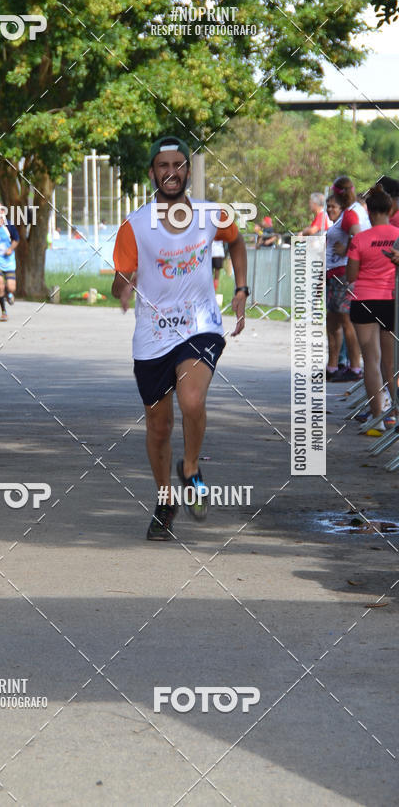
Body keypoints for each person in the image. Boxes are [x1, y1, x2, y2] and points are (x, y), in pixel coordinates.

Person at [112, 136, 248, 541]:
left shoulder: (211, 214)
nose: (171, 173)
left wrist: (241, 290)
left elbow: (237, 242)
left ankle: (190, 467)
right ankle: (166, 499)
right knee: (158, 426)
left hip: (199, 325)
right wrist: (123, 287)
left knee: (191, 400)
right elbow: (120, 277)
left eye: (178, 165)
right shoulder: (135, 224)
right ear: (152, 172)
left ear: (188, 170)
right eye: (162, 166)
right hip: (153, 335)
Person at [346, 185, 399, 435]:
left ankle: (377, 419)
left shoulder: (359, 239)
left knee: (371, 362)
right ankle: (395, 415)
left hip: (364, 301)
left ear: (368, 211)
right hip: (390, 301)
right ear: (391, 209)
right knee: (390, 365)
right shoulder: (398, 235)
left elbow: (351, 275)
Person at [325, 178, 364, 382]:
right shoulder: (343, 217)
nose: (330, 209)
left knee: (345, 321)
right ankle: (332, 366)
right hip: (333, 274)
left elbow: (357, 235)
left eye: (333, 205)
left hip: (342, 274)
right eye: (328, 206)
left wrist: (348, 248)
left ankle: (355, 367)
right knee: (331, 323)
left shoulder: (349, 215)